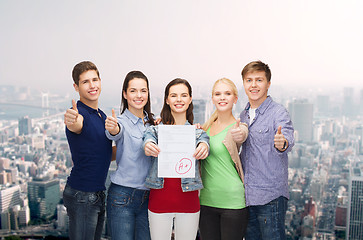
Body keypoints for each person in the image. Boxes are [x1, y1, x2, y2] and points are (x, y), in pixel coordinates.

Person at [143, 78, 209, 240]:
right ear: (167, 100)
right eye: (173, 95)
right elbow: (148, 139)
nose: (179, 99)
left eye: (183, 95)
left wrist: (203, 148)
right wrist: (149, 145)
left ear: (190, 99)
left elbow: (204, 143)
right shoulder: (155, 131)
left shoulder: (198, 133)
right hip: (159, 203)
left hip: (188, 204)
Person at [239, 60, 294, 240]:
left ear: (268, 84)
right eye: (249, 80)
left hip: (270, 198)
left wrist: (282, 142)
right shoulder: (243, 115)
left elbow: (286, 136)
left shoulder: (278, 112)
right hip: (247, 197)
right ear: (244, 84)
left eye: (259, 80)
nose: (253, 85)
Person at [63, 61, 112, 240]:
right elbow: (75, 124)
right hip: (82, 194)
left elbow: (104, 153)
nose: (92, 85)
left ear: (100, 81)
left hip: (97, 194)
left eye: (94, 80)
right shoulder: (78, 113)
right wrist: (72, 119)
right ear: (76, 87)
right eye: (85, 82)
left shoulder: (102, 115)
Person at [104, 71, 155, 240]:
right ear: (125, 94)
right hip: (122, 197)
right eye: (133, 91)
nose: (139, 95)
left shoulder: (154, 123)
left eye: (143, 91)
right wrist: (112, 128)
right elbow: (115, 132)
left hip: (149, 197)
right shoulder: (121, 122)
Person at [199, 78, 249, 240]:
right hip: (206, 201)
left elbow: (242, 134)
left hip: (233, 202)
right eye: (218, 94)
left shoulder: (238, 127)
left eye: (227, 94)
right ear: (212, 98)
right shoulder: (204, 129)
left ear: (235, 99)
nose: (222, 97)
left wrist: (239, 134)